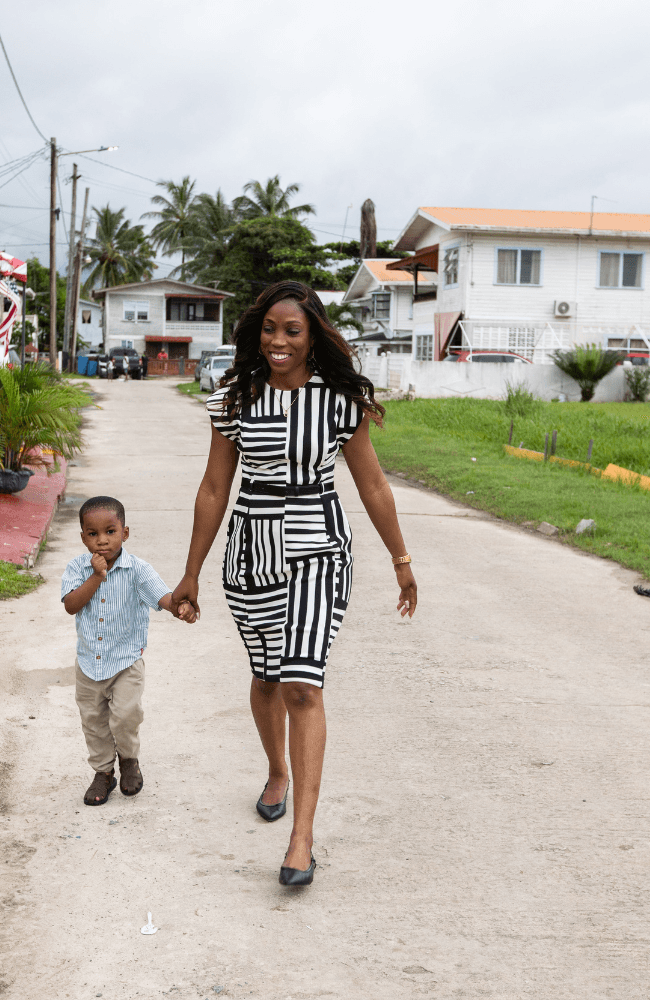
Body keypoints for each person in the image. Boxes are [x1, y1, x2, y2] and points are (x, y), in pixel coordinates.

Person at [172, 281, 417, 887]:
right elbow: (213, 489)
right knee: (265, 679)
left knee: (302, 685)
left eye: (292, 331)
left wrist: (401, 559)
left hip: (319, 547)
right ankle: (276, 769)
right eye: (270, 330)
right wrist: (191, 572)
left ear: (314, 338)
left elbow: (374, 487)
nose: (278, 341)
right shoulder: (234, 399)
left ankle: (301, 840)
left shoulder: (339, 401)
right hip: (251, 548)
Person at [62, 496, 196, 806]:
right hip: (88, 665)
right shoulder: (77, 568)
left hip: (126, 662)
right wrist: (96, 576)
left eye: (110, 531)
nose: (102, 541)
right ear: (83, 537)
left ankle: (129, 760)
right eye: (92, 534)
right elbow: (71, 605)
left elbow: (164, 598)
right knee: (93, 722)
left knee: (124, 716)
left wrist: (182, 608)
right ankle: (103, 773)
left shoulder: (137, 570)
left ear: (125, 533)